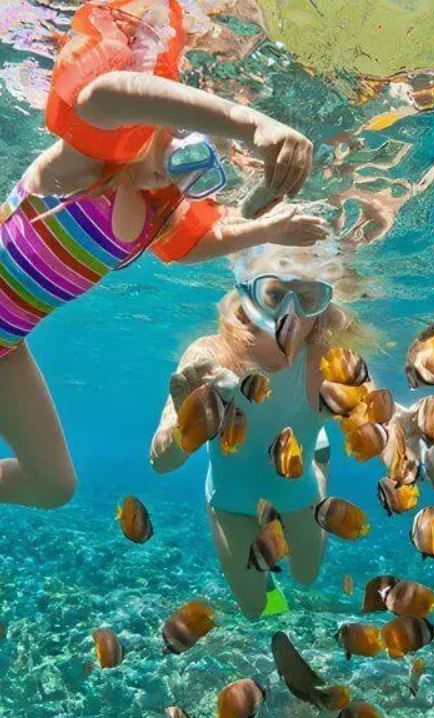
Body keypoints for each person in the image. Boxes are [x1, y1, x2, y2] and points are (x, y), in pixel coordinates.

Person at [0, 0, 331, 512]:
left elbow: (198, 245)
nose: (180, 160)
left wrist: (269, 229)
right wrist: (253, 126)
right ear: (154, 117)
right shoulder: (85, 164)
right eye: (178, 133)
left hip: (7, 346)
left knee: (52, 486)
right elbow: (104, 94)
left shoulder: (150, 212)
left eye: (197, 162)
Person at [149, 247, 376, 618]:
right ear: (247, 293)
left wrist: (404, 426)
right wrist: (184, 425)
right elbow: (160, 463)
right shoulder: (209, 355)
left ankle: (318, 466)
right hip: (230, 501)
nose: (289, 313)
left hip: (297, 490)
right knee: (255, 609)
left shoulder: (328, 360)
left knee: (306, 575)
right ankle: (266, 575)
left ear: (322, 307)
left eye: (306, 298)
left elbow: (377, 417)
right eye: (274, 294)